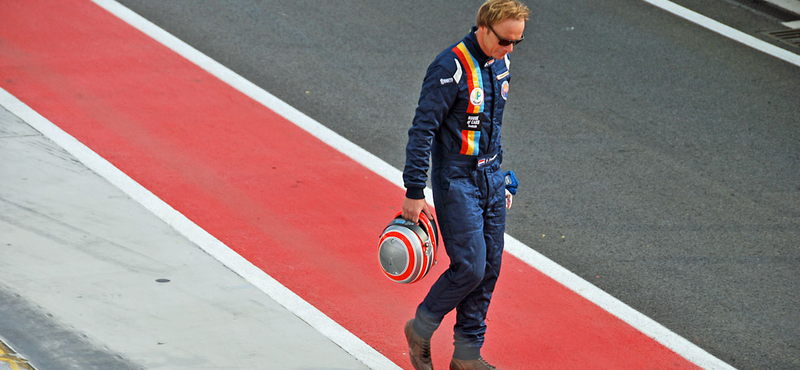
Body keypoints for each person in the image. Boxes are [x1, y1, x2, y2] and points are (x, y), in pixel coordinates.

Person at [401, 1, 529, 369]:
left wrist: (500, 177)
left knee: (490, 269)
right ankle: (420, 328)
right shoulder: (449, 67)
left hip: (490, 177)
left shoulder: (501, 62)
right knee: (470, 267)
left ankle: (467, 356)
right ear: (484, 28)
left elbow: (494, 125)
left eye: (517, 43)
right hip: (456, 179)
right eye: (505, 41)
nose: (510, 50)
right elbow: (422, 130)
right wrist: (414, 190)